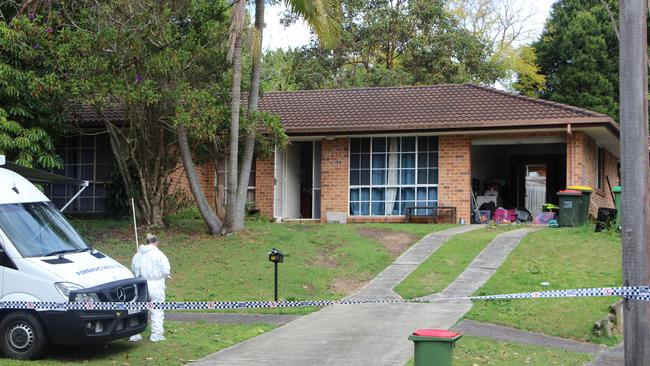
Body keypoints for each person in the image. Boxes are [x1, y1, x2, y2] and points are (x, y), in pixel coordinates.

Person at [129, 233, 171, 342]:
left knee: (137, 308)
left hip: (140, 284)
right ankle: (156, 335)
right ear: (156, 242)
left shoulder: (137, 255)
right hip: (155, 284)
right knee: (157, 309)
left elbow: (134, 269)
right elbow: (166, 270)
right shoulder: (159, 254)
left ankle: (135, 334)